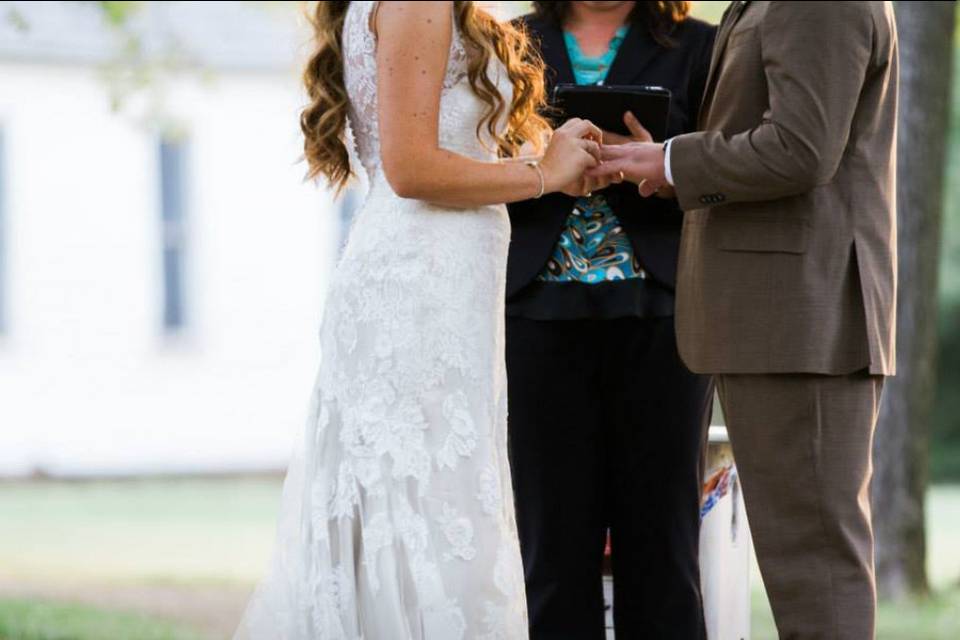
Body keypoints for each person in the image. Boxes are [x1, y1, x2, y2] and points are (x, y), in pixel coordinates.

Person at [233, 2, 609, 638]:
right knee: (424, 494)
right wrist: (542, 174)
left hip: (444, 276)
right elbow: (412, 169)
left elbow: (449, 145)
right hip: (418, 284)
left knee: (437, 490)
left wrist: (551, 158)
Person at [588, 2, 899, 638]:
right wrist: (669, 164)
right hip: (780, 321)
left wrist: (676, 161)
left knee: (815, 569)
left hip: (803, 324)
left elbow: (801, 148)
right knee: (803, 565)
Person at [504, 2, 715, 638]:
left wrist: (663, 164)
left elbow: (725, 170)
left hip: (661, 312)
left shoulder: (702, 46)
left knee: (664, 545)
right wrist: (546, 166)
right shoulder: (511, 42)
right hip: (536, 313)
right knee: (550, 547)